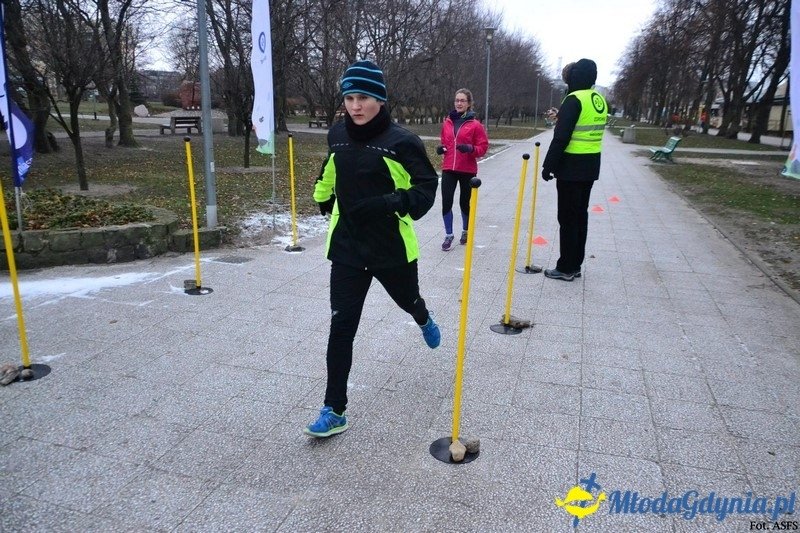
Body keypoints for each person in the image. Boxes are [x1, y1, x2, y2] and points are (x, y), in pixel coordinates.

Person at [305, 60, 441, 437]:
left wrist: (388, 203)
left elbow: (426, 190)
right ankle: (334, 409)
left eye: (363, 97)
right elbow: (330, 170)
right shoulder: (338, 135)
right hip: (347, 248)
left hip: (390, 248)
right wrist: (322, 197)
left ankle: (423, 316)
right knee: (341, 326)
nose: (355, 105)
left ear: (379, 99)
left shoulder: (402, 142)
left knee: (407, 300)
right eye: (349, 97)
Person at [541, 59, 608, 282]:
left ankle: (566, 267)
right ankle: (576, 263)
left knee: (568, 218)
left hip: (571, 168)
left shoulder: (574, 99)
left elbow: (561, 137)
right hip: (590, 167)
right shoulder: (598, 99)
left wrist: (548, 165)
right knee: (580, 217)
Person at [435, 89, 489, 251]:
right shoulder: (447, 122)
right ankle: (449, 234)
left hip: (467, 169)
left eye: (462, 101)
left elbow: (483, 147)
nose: (459, 103)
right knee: (446, 201)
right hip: (448, 168)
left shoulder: (475, 125)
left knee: (464, 203)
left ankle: (465, 231)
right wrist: (441, 148)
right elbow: (444, 142)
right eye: (457, 100)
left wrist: (470, 148)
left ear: (469, 103)